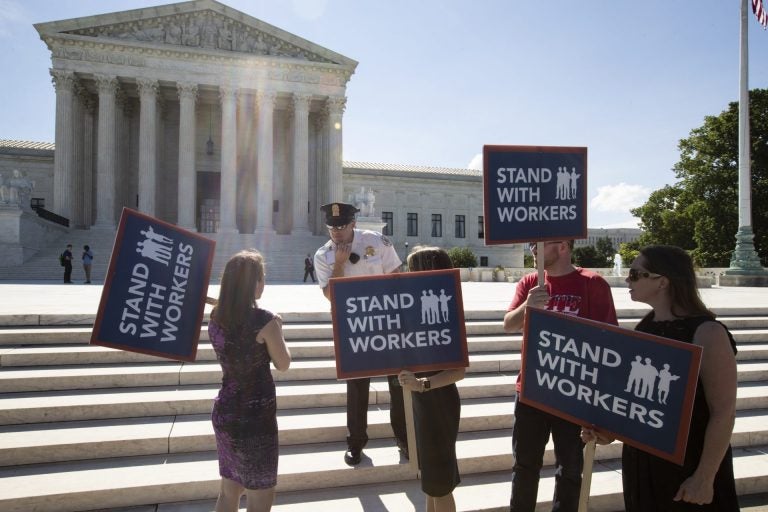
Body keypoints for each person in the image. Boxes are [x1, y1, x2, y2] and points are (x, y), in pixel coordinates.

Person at [582, 245, 739, 511]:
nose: (626, 279)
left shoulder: (708, 332)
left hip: (689, 465)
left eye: (635, 274)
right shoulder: (645, 327)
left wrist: (704, 477)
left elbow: (723, 412)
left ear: (662, 281)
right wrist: (611, 432)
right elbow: (640, 403)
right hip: (643, 465)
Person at [503, 240, 618, 512]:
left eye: (539, 244)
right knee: (524, 465)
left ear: (564, 246)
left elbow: (611, 339)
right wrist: (528, 305)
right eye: (531, 243)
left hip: (573, 392)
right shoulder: (530, 282)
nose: (532, 249)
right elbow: (509, 324)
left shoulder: (592, 283)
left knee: (569, 469)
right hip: (531, 389)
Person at [313, 201, 407, 466]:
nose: (336, 232)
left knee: (398, 384)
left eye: (341, 226)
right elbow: (331, 296)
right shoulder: (324, 255)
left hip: (387, 322)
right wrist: (339, 265)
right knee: (357, 388)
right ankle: (356, 443)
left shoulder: (375, 241)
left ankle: (404, 439)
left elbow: (397, 275)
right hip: (354, 328)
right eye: (332, 227)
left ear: (353, 223)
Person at [208, 249, 292, 512]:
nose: (263, 283)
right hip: (255, 420)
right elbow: (283, 363)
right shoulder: (265, 321)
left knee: (228, 490)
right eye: (261, 278)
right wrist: (279, 329)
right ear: (251, 283)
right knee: (260, 498)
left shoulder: (217, 317)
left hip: (226, 411)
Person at [397, 246, 465, 512]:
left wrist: (422, 384)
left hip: (439, 402)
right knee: (431, 481)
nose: (407, 275)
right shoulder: (416, 314)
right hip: (421, 402)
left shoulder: (447, 313)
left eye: (413, 270)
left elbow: (459, 371)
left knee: (440, 482)